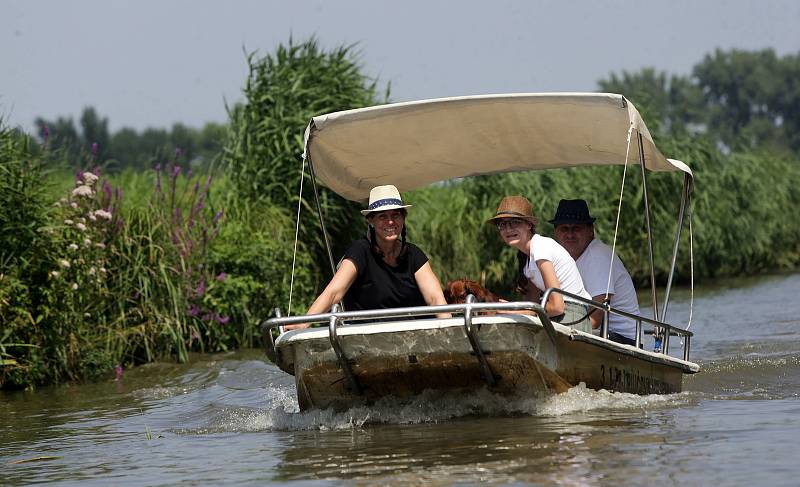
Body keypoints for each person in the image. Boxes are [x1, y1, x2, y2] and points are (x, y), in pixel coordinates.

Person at [284, 184, 449, 330]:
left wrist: (450, 329)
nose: (390, 222)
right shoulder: (360, 251)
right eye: (383, 216)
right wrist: (304, 323)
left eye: (395, 215)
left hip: (414, 337)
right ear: (371, 221)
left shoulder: (414, 254)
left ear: (403, 218)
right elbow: (333, 293)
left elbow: (435, 299)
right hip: (368, 337)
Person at [488, 195, 592, 331]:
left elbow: (556, 306)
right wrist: (507, 307)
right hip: (559, 317)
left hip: (572, 318)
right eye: (502, 224)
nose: (508, 229)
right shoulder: (527, 258)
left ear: (529, 225)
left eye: (514, 222)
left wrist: (514, 312)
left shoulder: (540, 248)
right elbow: (531, 304)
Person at [550, 199, 641, 346]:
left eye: (576, 228)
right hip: (596, 332)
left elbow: (595, 318)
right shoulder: (564, 259)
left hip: (623, 340)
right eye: (564, 229)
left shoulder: (597, 256)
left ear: (590, 230)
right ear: (556, 232)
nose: (570, 234)